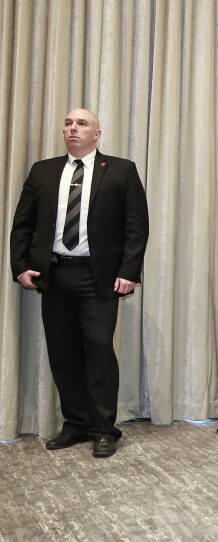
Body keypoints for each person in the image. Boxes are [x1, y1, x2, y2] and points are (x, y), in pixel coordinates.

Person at [9, 108, 149, 458]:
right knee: (63, 353)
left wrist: (129, 271)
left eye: (82, 123)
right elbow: (22, 224)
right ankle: (75, 424)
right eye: (69, 123)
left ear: (97, 133)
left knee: (99, 348)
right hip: (53, 275)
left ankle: (104, 429)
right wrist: (20, 266)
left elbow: (136, 227)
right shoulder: (43, 171)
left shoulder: (121, 170)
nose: (73, 128)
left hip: (97, 277)